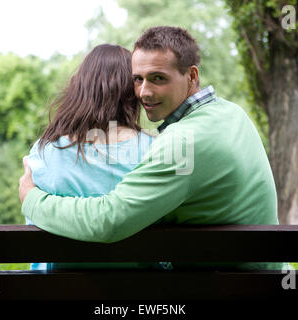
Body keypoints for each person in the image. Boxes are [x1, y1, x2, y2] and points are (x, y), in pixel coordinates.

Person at [19, 26, 283, 270]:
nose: (144, 92)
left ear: (191, 76)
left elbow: (109, 221)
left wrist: (32, 199)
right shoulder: (230, 113)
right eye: (138, 79)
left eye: (158, 78)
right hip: (258, 275)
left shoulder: (182, 143)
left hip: (226, 286)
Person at [24, 43, 159, 270]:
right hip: (140, 291)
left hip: (59, 291)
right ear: (131, 94)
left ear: (80, 89)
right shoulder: (157, 149)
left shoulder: (46, 152)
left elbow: (35, 228)